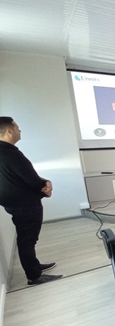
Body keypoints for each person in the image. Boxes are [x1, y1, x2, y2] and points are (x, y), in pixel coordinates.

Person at [0, 117, 61, 285]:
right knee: (27, 239)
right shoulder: (11, 153)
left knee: (26, 238)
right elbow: (30, 178)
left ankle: (34, 266)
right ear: (9, 131)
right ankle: (34, 276)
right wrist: (46, 185)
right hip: (25, 204)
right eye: (18, 128)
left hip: (13, 203)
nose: (20, 131)